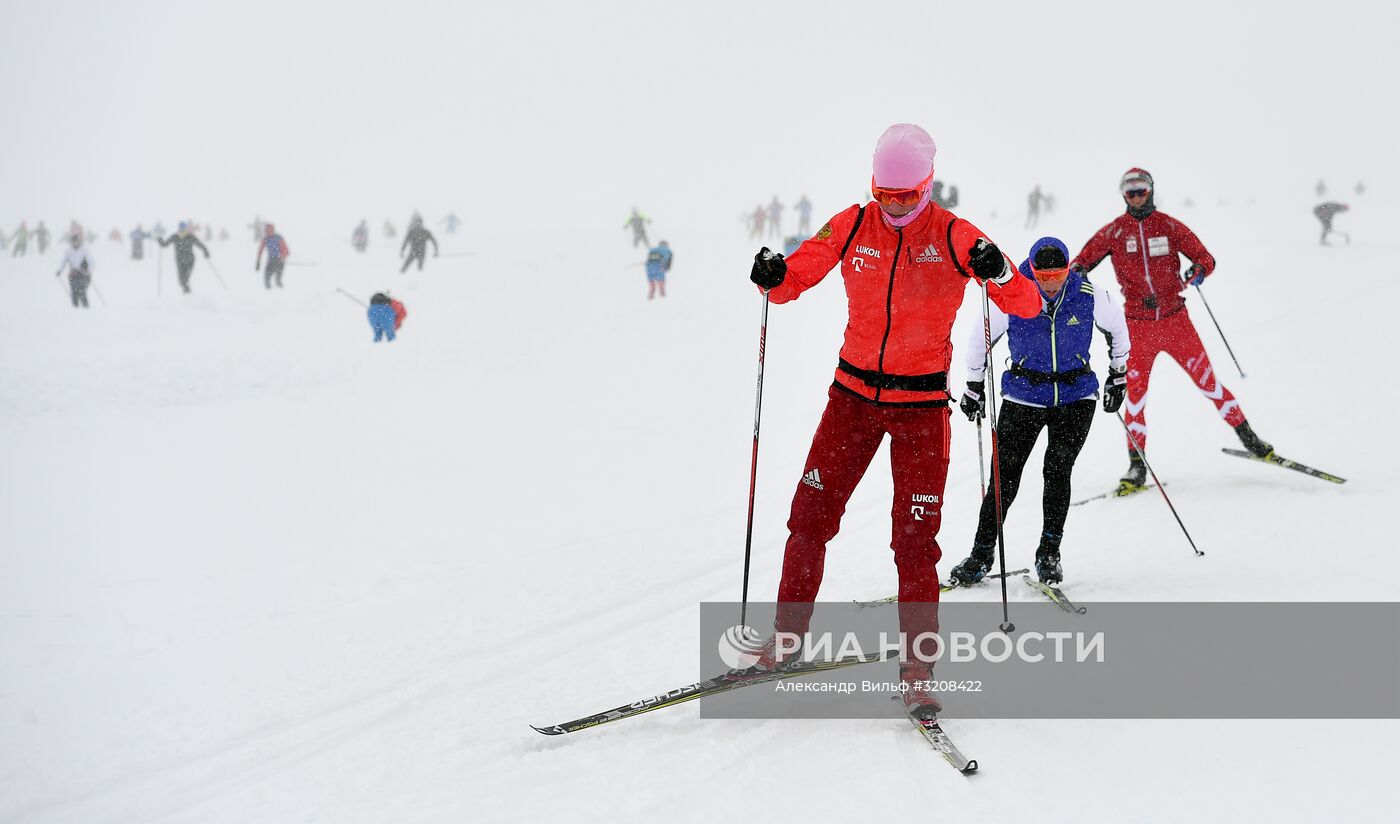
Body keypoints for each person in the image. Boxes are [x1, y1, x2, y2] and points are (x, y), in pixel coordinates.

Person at [740, 124, 1041, 718]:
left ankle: (918, 665)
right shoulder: (853, 223)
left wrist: (1000, 273)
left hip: (921, 411)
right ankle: (786, 638)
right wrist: (774, 275)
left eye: (906, 195)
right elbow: (792, 281)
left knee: (914, 542)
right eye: (886, 194)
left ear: (928, 184)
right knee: (808, 519)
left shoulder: (958, 236)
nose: (895, 205)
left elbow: (1027, 302)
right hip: (850, 400)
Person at [1070, 168, 1272, 493]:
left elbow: (1206, 258)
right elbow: (1080, 262)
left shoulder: (1168, 225)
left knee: (1209, 383)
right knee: (1135, 398)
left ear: (1151, 191)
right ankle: (1136, 467)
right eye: (1130, 192)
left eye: (1141, 191)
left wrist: (1198, 270)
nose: (1136, 197)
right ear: (1123, 195)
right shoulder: (1114, 232)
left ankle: (1250, 439)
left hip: (1176, 321)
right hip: (1137, 326)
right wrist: (1074, 278)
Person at [949, 237, 1131, 586]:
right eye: (1043, 276)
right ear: (1031, 270)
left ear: (1067, 270)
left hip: (1076, 395)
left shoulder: (1089, 294)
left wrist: (1118, 376)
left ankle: (1049, 553)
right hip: (1023, 394)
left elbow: (1118, 330)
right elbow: (979, 338)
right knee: (1004, 479)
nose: (1050, 282)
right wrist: (973, 384)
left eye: (1057, 275)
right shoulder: (1010, 293)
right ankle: (981, 554)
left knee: (1058, 470)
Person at [157, 221, 211, 294]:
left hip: (189, 260)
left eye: (183, 229)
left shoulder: (190, 236)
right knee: (182, 280)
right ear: (179, 229)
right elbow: (164, 244)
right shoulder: (175, 236)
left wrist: (205, 251)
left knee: (184, 279)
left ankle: (188, 295)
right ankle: (187, 295)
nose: (182, 231)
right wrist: (160, 240)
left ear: (186, 229)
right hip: (180, 261)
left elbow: (200, 244)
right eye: (181, 229)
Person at [55, 231, 94, 309]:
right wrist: (60, 270)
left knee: (82, 291)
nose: (75, 243)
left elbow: (91, 261)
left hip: (83, 274)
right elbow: (63, 261)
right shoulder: (68, 251)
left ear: (79, 241)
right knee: (74, 292)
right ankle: (75, 309)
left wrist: (89, 271)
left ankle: (86, 309)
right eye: (73, 241)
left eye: (76, 241)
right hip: (73, 274)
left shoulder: (84, 250)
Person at [256, 223, 290, 288]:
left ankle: (280, 291)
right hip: (271, 259)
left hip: (279, 259)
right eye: (267, 231)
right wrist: (258, 261)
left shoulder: (278, 238)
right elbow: (260, 250)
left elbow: (285, 249)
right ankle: (268, 290)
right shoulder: (265, 239)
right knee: (267, 276)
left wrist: (283, 256)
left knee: (278, 277)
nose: (268, 232)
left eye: (270, 230)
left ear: (273, 230)